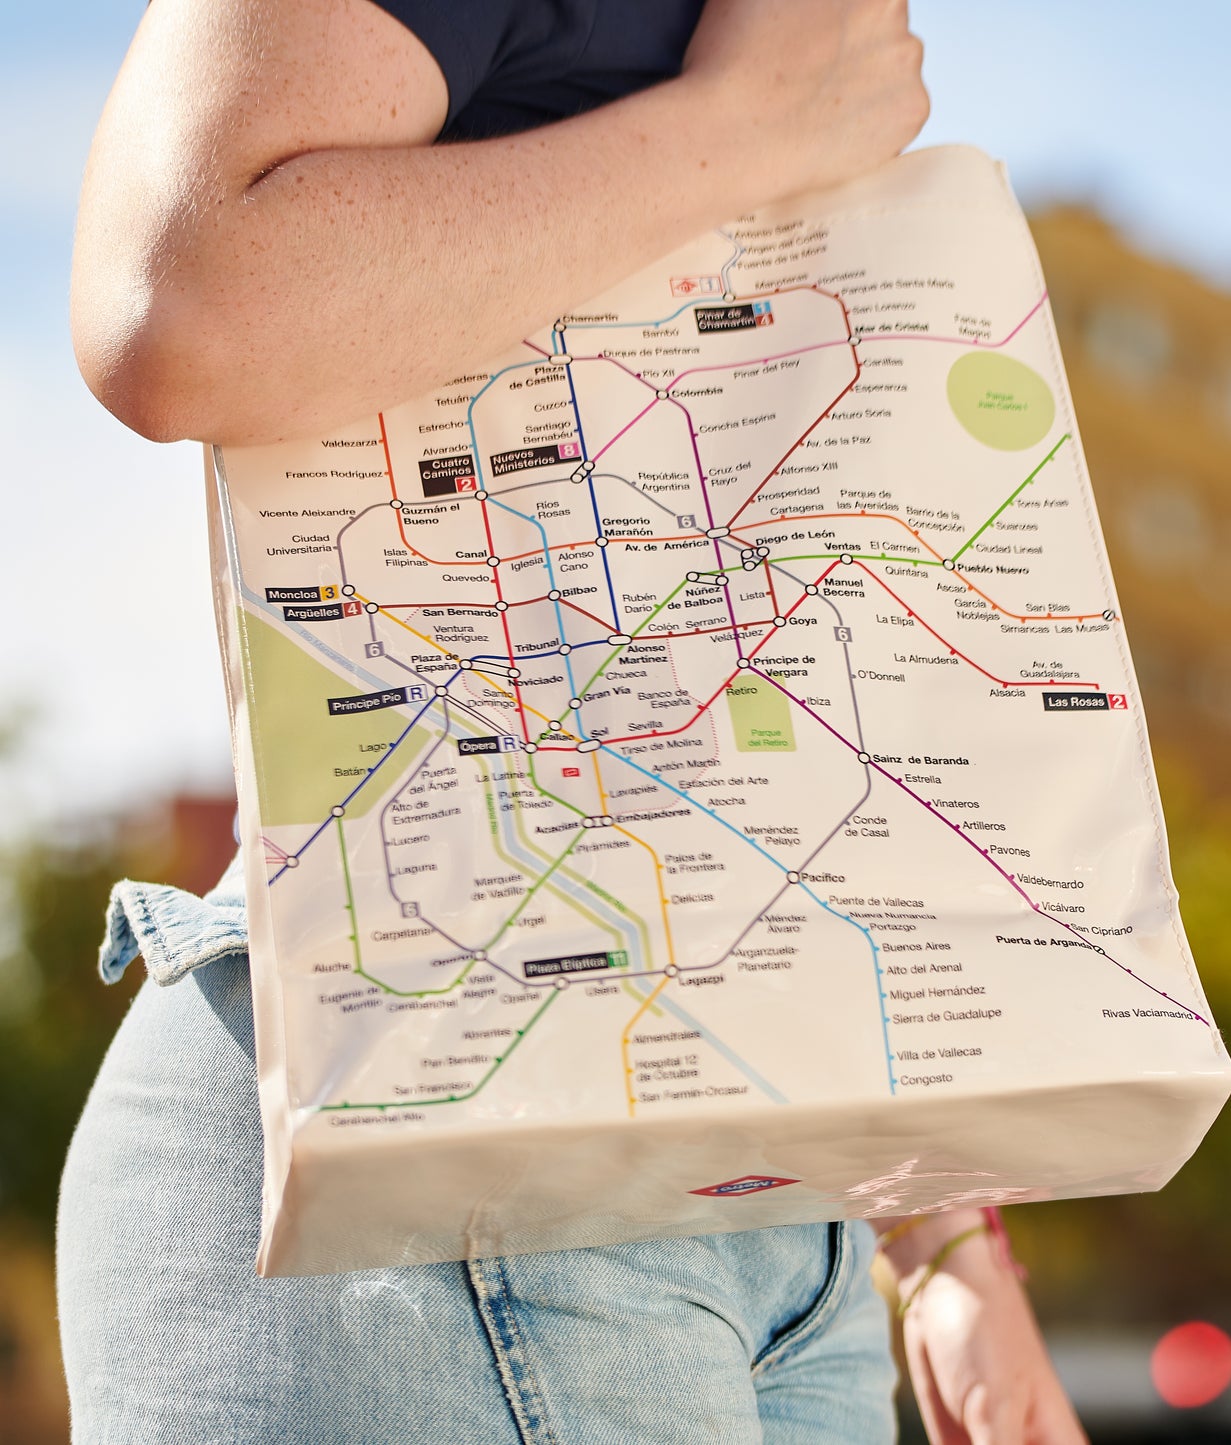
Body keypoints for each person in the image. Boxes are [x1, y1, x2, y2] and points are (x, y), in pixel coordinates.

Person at [61, 1, 1089, 1439]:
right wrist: (745, 122)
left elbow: (768, 611)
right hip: (432, 1148)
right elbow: (180, 298)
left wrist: (936, 1229)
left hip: (781, 1212)